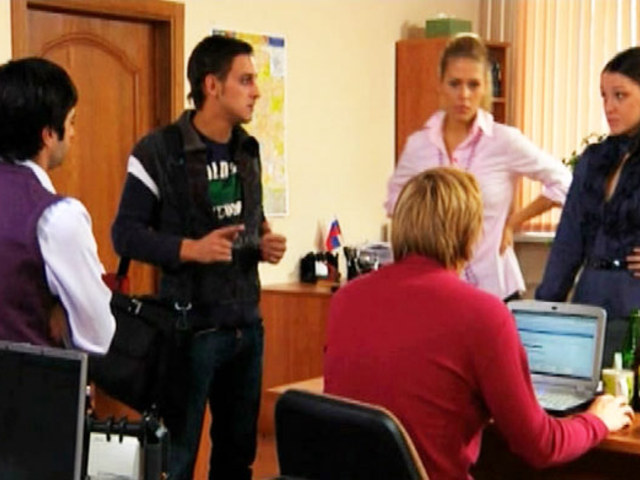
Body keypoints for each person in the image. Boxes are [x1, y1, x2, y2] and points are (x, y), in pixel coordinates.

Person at [325, 167, 633, 480]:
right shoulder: (482, 314)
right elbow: (541, 445)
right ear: (470, 234)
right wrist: (598, 420)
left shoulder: (345, 299)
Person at [111, 35, 286, 480]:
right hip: (188, 330)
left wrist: (264, 241)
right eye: (245, 80)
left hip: (246, 325)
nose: (256, 91)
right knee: (177, 459)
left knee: (238, 458)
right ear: (212, 85)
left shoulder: (248, 149)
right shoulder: (158, 151)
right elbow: (125, 235)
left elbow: (249, 218)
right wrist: (191, 249)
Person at [385, 33, 571, 301]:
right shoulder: (419, 146)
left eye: (473, 85)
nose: (464, 95)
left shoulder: (504, 141)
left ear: (486, 88)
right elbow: (396, 205)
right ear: (440, 85)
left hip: (494, 290)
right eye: (455, 84)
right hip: (436, 293)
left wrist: (512, 222)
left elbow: (564, 181)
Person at [0, 57, 115, 353]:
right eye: (71, 121)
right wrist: (64, 310)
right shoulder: (56, 217)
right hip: (29, 377)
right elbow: (98, 336)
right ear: (49, 134)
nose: (74, 133)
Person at [536, 46, 640, 367]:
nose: (609, 107)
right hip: (589, 306)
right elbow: (568, 243)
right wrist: (542, 312)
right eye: (604, 96)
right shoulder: (594, 160)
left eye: (620, 95)